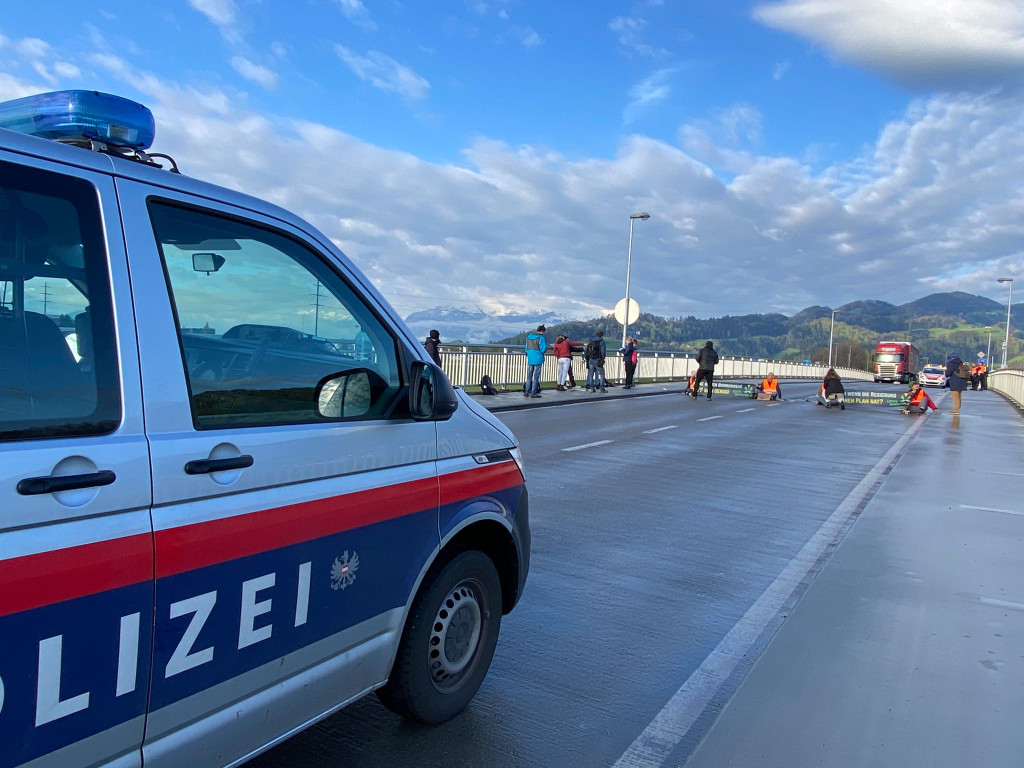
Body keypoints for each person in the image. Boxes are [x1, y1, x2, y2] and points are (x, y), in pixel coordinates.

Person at [524, 324, 547, 398]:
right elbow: (543, 349)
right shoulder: (541, 338)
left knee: (529, 376)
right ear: (542, 331)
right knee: (536, 376)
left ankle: (527, 391)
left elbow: (526, 348)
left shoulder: (528, 337)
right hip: (538, 358)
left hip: (530, 357)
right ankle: (533, 392)